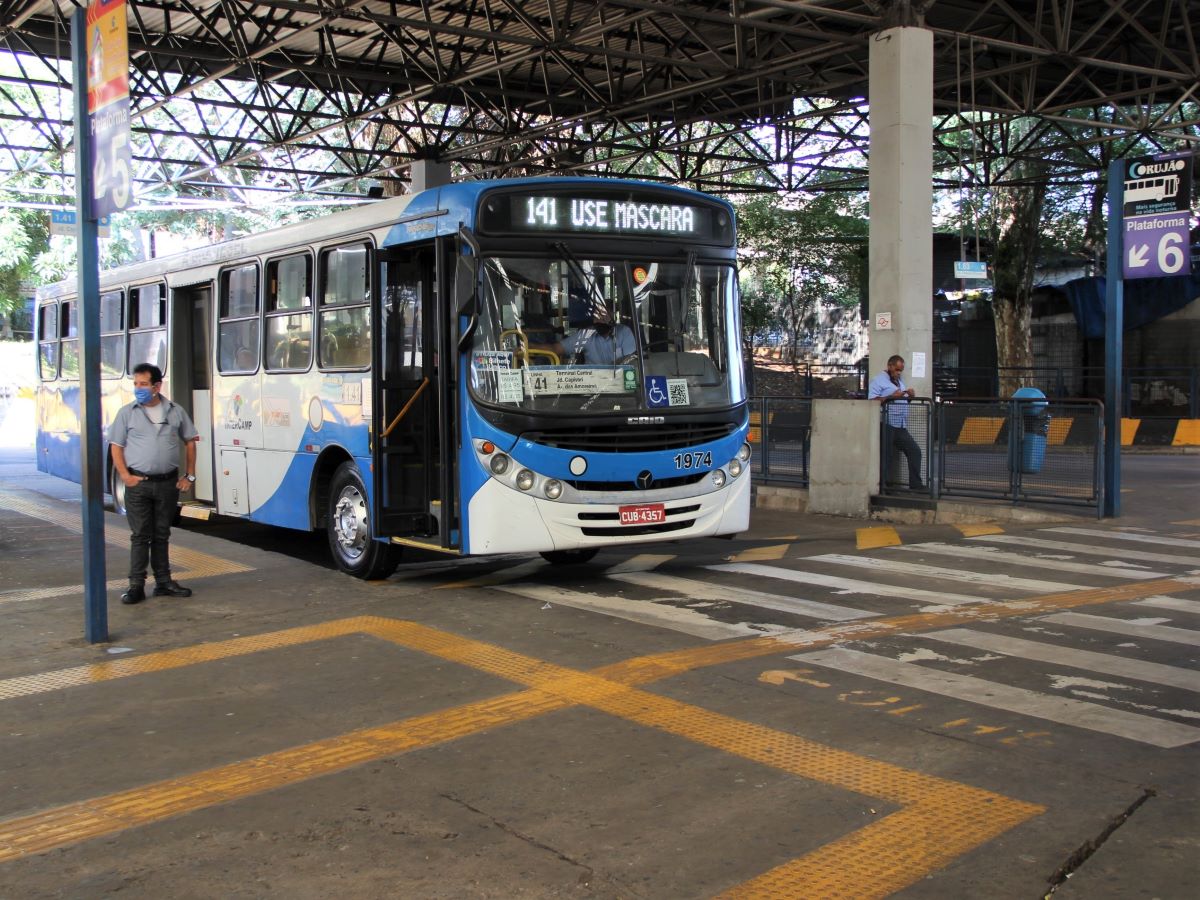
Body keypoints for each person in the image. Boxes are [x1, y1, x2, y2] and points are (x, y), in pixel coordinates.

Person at [109, 363, 199, 604]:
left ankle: (164, 582)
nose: (138, 388)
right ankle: (136, 586)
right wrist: (125, 476)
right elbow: (116, 446)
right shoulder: (127, 412)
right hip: (139, 484)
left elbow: (190, 441)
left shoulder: (175, 411)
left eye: (143, 384)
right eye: (136, 384)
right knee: (140, 536)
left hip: (168, 484)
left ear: (157, 386)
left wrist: (189, 476)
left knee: (161, 534)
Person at [868, 354, 924, 490]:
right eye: (897, 370)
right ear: (890, 366)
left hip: (900, 424)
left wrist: (909, 397)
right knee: (886, 455)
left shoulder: (899, 381)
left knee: (915, 451)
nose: (899, 373)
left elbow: (900, 399)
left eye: (901, 370)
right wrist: (891, 396)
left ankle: (916, 485)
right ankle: (884, 486)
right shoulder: (878, 380)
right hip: (886, 423)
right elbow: (871, 401)